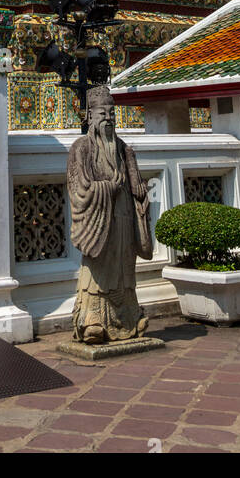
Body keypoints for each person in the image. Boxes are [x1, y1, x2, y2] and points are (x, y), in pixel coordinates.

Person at [67, 85, 153, 343]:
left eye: (112, 113)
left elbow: (137, 186)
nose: (108, 119)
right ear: (90, 117)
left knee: (125, 270)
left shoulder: (125, 149)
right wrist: (107, 188)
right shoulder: (81, 149)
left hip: (124, 218)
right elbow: (79, 188)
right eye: (102, 113)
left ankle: (129, 318)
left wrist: (140, 195)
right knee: (99, 273)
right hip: (99, 221)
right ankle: (91, 322)